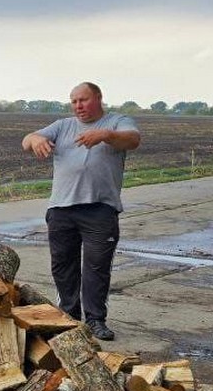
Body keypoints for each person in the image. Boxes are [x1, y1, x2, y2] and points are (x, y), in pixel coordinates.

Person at [22, 82, 140, 341]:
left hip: (101, 209)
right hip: (62, 208)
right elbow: (26, 140)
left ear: (98, 98)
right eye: (74, 101)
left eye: (83, 100)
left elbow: (133, 140)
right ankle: (69, 317)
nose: (78, 106)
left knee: (96, 267)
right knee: (63, 265)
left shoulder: (118, 121)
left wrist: (105, 135)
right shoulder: (63, 125)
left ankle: (96, 320)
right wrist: (37, 139)